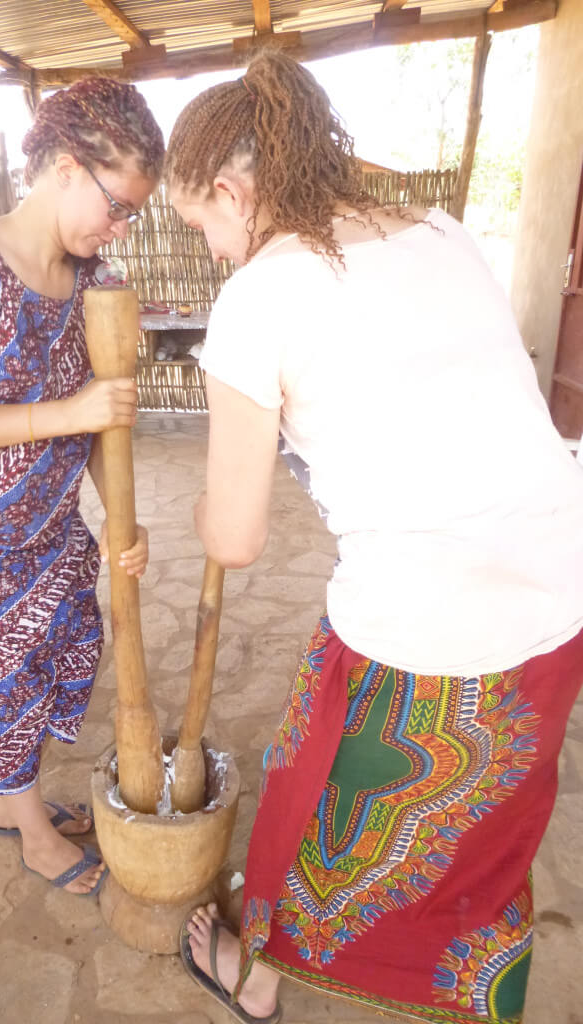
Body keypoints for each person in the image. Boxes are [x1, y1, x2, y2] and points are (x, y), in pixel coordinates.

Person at [165, 50, 583, 1024]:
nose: (219, 252)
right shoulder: (439, 229)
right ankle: (478, 985)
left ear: (234, 190)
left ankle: (255, 974)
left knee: (305, 799)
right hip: (564, 583)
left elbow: (233, 537)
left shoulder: (261, 294)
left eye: (206, 228)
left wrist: (198, 509)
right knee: (487, 831)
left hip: (425, 612)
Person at [0, 79, 164, 897]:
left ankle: (16, 802)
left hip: (46, 523)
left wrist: (123, 517)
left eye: (131, 215)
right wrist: (65, 412)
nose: (118, 227)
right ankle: (31, 824)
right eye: (116, 204)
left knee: (54, 653)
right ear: (68, 169)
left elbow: (97, 420)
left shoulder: (92, 286)